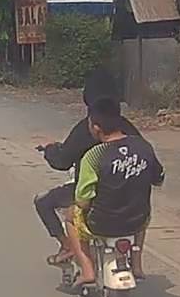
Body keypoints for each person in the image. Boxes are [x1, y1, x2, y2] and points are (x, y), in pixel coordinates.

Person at [34, 70, 143, 267]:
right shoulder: (128, 129)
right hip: (130, 203)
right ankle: (137, 263)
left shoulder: (88, 129)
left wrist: (50, 149)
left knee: (44, 202)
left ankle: (68, 247)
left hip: (95, 201)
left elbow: (62, 161)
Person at [70, 96, 165, 287]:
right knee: (143, 211)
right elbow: (158, 179)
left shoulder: (93, 156)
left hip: (101, 224)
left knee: (70, 216)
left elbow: (83, 200)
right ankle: (136, 264)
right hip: (136, 221)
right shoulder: (143, 147)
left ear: (96, 128)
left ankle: (87, 269)